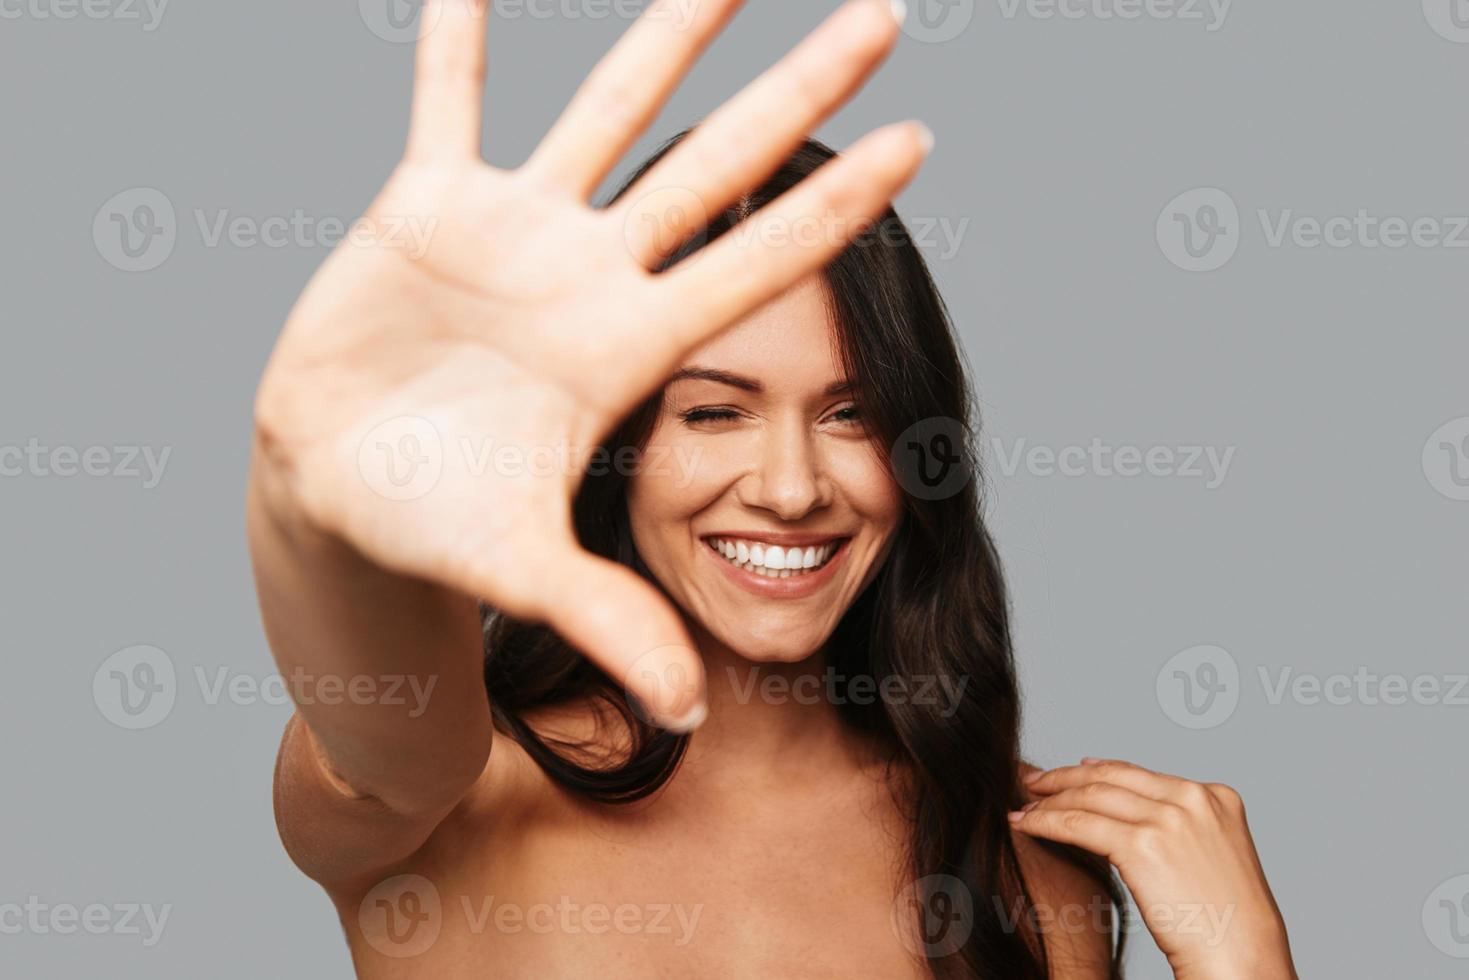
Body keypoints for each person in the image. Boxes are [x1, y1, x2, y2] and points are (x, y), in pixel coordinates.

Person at [246, 0, 1298, 976]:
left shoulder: (1019, 875)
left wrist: (1244, 959)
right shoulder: (462, 794)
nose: (791, 488)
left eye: (852, 415)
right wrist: (326, 511)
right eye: (712, 411)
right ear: (615, 441)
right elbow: (382, 748)